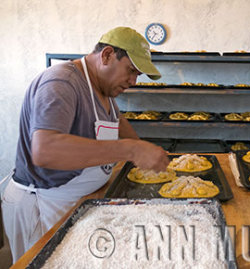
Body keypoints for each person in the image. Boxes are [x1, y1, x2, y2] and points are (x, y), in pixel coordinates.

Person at [0, 26, 170, 263]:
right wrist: (131, 150)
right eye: (131, 70)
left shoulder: (103, 89)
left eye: (138, 75)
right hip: (44, 204)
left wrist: (147, 152)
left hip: (78, 201)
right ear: (107, 55)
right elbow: (45, 150)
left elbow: (118, 125)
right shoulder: (62, 82)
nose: (132, 81)